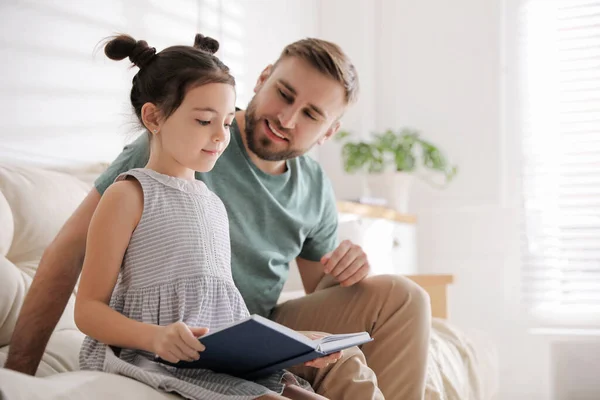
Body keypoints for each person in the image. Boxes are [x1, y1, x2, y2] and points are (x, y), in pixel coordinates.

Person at [5, 33, 431, 400]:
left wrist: (346, 270)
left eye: (311, 114)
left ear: (330, 131)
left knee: (405, 297)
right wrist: (20, 378)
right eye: (284, 94)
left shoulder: (310, 183)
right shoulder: (176, 143)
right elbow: (69, 251)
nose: (286, 118)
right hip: (187, 332)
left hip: (248, 323)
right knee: (344, 366)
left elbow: (320, 288)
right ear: (263, 78)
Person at [73, 33, 336, 400]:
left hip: (211, 360)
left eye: (227, 123)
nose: (219, 137)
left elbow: (222, 310)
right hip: (152, 356)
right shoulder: (128, 195)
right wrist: (156, 337)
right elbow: (87, 311)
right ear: (153, 117)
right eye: (203, 121)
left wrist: (296, 343)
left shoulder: (212, 204)